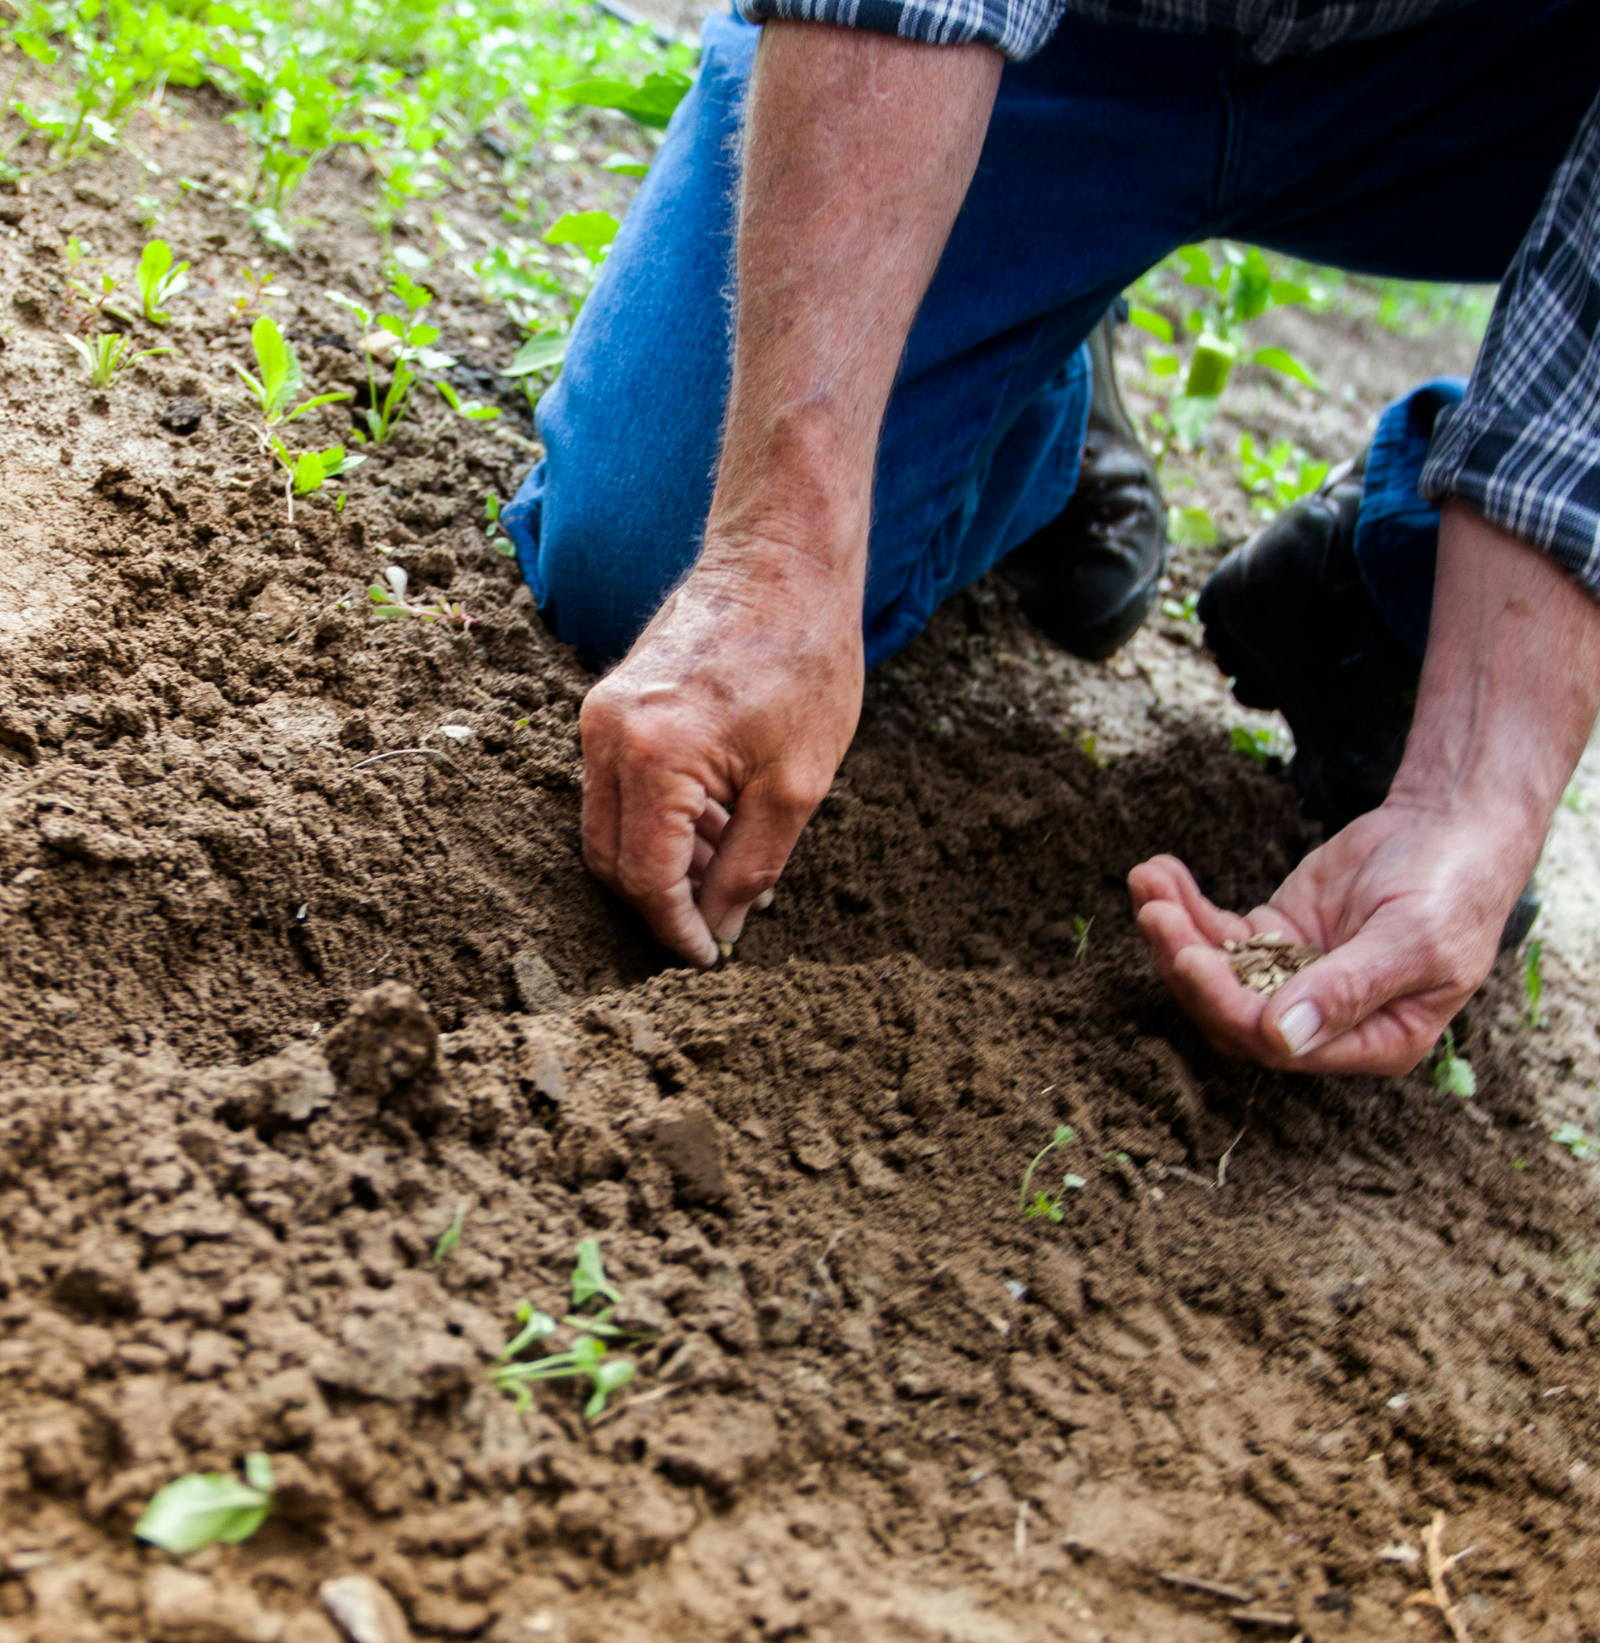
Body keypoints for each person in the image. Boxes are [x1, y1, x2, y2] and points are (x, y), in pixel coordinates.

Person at [501, 0, 1600, 1078]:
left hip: (1489, 81)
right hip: (1081, 36)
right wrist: (777, 554)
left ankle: (1394, 579)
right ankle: (1036, 380)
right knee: (647, 563)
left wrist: (1472, 796)